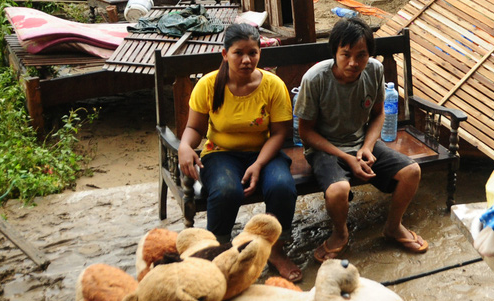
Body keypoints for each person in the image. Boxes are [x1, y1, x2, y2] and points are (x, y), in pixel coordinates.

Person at [295, 17, 427, 263]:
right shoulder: (315, 79)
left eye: (361, 55)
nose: (354, 63)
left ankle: (393, 226)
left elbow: (378, 114)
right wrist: (346, 157)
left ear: (369, 55)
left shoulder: (375, 70)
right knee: (339, 189)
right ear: (334, 52)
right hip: (324, 148)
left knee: (412, 171)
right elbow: (306, 134)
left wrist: (366, 147)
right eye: (345, 54)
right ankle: (341, 233)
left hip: (361, 142)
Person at [178, 22, 302, 282]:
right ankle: (219, 250)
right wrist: (185, 146)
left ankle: (275, 250)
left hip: (264, 152)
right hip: (220, 153)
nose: (247, 60)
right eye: (238, 53)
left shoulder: (273, 85)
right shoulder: (209, 85)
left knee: (281, 186)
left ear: (260, 53)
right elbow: (194, 127)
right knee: (226, 190)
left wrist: (258, 164)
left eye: (253, 53)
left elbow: (280, 133)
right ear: (225, 54)